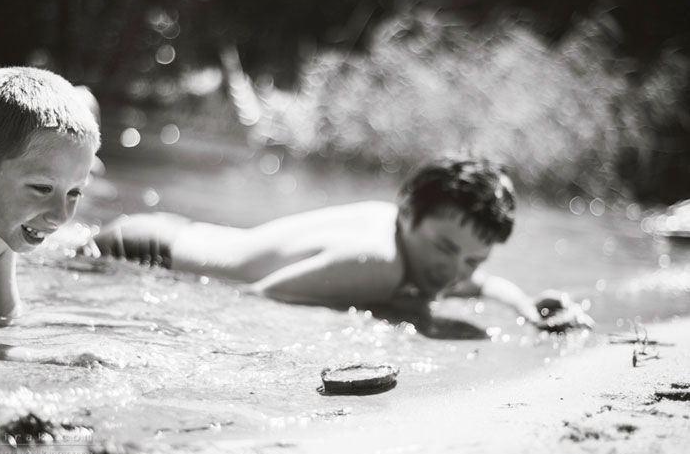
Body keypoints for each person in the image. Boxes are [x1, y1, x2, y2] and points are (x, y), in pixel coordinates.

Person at [87, 158, 593, 331]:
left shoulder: (408, 242)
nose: (456, 270)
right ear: (409, 214)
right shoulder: (378, 263)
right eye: (445, 249)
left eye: (473, 258)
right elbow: (258, 297)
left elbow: (479, 284)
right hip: (142, 253)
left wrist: (527, 308)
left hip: (168, 231)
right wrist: (390, 307)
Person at [0, 67, 101, 362]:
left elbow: (1, 320)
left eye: (74, 193)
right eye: (42, 188)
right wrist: (35, 357)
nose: (61, 216)